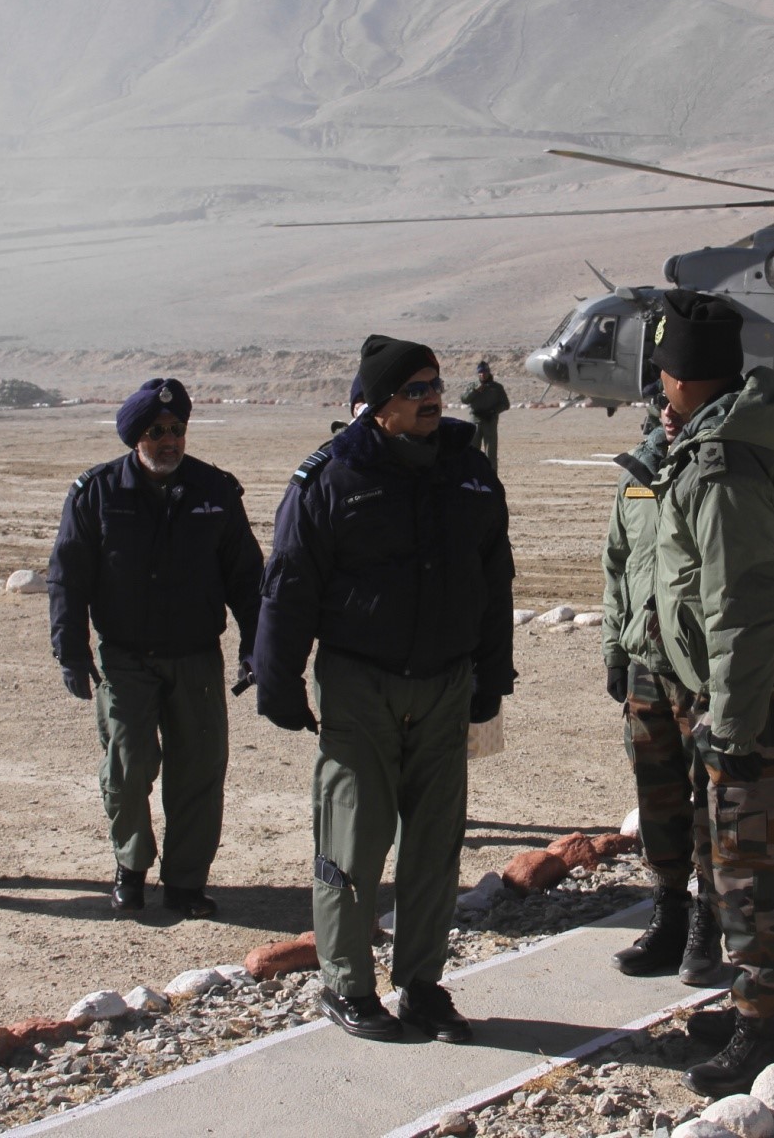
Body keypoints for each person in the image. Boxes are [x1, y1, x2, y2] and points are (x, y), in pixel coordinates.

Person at [253, 335, 515, 1045]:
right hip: (359, 686)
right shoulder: (331, 479)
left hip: (446, 684)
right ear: (374, 405)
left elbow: (494, 582)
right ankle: (346, 984)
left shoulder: (468, 471)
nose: (433, 398)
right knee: (354, 839)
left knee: (435, 845)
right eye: (415, 389)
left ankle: (422, 985)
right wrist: (276, 680)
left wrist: (494, 678)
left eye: (436, 384)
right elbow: (289, 587)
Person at [646, 292, 774, 1097]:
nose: (657, 386)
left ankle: (762, 1026)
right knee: (740, 855)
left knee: (747, 863)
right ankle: (769, 1008)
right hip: (748, 684)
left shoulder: (724, 462)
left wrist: (729, 714)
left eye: (663, 371)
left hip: (749, 691)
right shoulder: (746, 434)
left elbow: (742, 600)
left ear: (685, 378)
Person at [48, 378, 263, 915]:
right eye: (156, 432)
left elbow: (247, 577)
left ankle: (186, 883)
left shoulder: (215, 491)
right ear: (134, 438)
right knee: (127, 767)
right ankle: (131, 869)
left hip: (195, 657)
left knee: (199, 769)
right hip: (125, 658)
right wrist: (70, 650)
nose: (169, 441)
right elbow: (67, 577)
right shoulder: (95, 493)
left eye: (177, 430)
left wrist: (258, 646)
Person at [601, 394, 724, 985]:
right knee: (658, 798)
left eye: (680, 401)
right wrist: (613, 651)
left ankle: (710, 921)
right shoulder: (639, 476)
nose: (670, 413)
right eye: (662, 402)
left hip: (700, 668)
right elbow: (616, 567)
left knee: (712, 802)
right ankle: (669, 912)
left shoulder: (715, 466)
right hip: (646, 663)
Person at [459, 360, 509, 469]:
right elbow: (464, 399)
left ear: (489, 373)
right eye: (480, 373)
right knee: (472, 451)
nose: (482, 375)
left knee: (490, 453)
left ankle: (491, 479)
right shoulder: (473, 386)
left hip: (490, 422)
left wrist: (493, 411)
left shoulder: (496, 387)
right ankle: (472, 476)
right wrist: (475, 391)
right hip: (475, 422)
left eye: (485, 372)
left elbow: (505, 404)